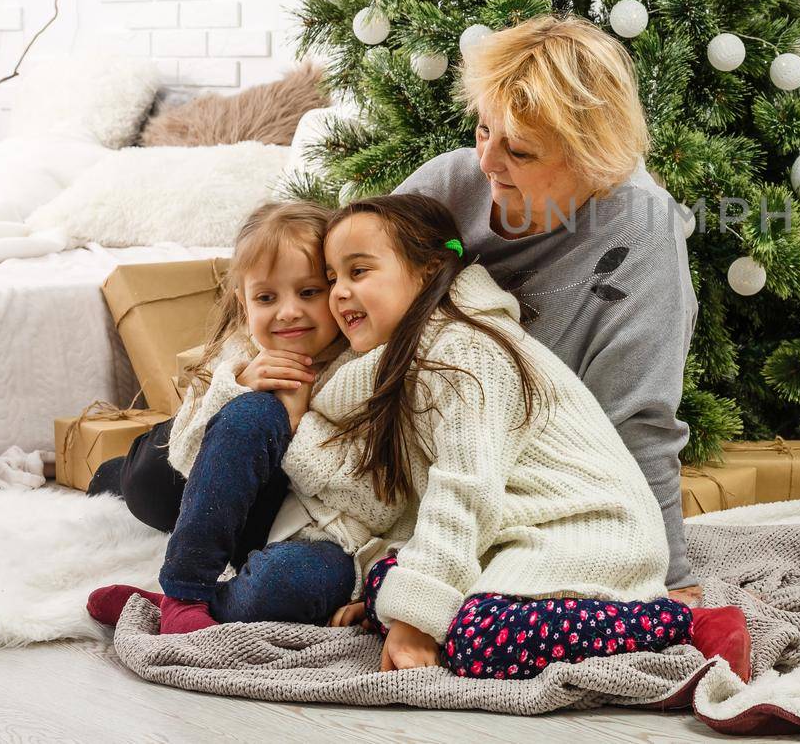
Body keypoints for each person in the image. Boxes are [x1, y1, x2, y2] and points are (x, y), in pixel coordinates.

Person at [271, 194, 744, 678]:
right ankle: (421, 599)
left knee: (480, 640)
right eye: (332, 279)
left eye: (359, 271)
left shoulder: (466, 353)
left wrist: (412, 618)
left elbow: (464, 487)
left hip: (587, 531)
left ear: (428, 269)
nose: (340, 293)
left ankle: (682, 623)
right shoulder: (399, 360)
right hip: (512, 532)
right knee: (385, 577)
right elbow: (403, 496)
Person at [394, 14, 700, 601]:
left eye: (521, 151)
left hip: (531, 486)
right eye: (484, 130)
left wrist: (672, 578)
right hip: (406, 449)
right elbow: (343, 287)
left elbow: (638, 420)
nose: (487, 162)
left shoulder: (644, 234)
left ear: (590, 155)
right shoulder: (449, 185)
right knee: (162, 479)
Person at [86, 202, 361, 632]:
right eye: (266, 298)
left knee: (291, 582)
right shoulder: (241, 353)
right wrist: (239, 386)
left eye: (309, 292)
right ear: (243, 301)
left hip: (292, 530)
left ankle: (174, 607)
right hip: (186, 478)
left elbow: (356, 494)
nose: (287, 312)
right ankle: (185, 590)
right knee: (144, 477)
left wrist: (296, 419)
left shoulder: (356, 365)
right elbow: (189, 450)